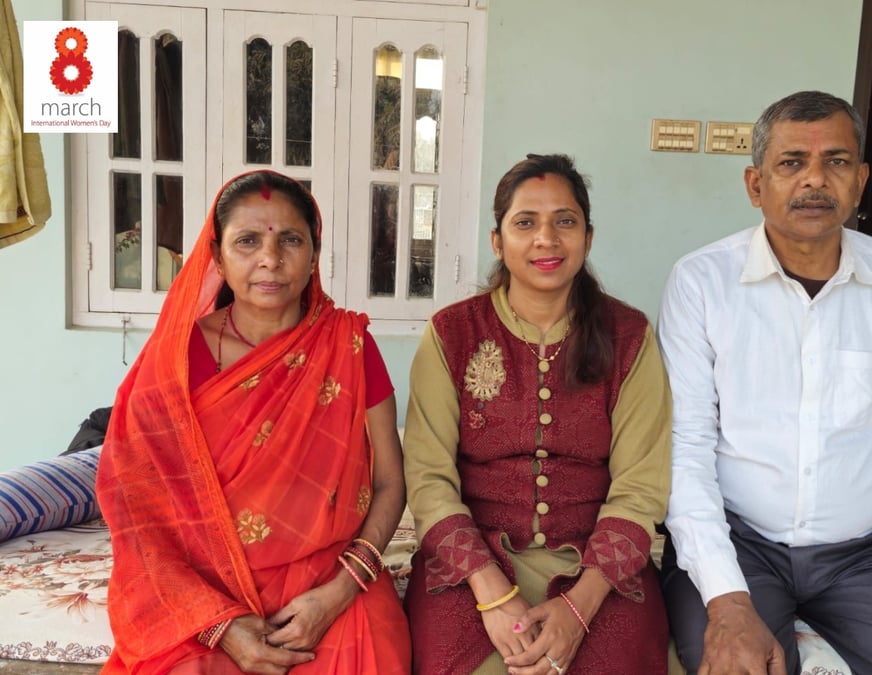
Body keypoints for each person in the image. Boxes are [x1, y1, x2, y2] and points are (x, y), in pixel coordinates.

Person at [658, 90, 872, 675]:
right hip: (741, 547)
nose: (814, 180)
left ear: (860, 180)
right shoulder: (701, 283)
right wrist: (728, 599)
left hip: (864, 557)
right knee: (739, 667)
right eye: (791, 163)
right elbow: (684, 448)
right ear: (754, 184)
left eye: (836, 162)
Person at [96, 170, 411, 674]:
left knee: (370, 656)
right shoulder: (174, 360)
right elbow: (137, 509)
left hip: (329, 579)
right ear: (217, 257)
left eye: (290, 239)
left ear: (313, 255)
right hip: (207, 591)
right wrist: (218, 624)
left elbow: (391, 482)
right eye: (247, 241)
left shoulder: (348, 344)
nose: (270, 258)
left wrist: (339, 591)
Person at [402, 153, 673, 674]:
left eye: (564, 222)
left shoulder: (629, 336)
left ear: (587, 239)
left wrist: (580, 607)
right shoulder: (453, 333)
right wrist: (491, 595)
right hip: (471, 565)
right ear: (498, 241)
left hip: (598, 570)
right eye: (525, 223)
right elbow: (429, 479)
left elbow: (640, 489)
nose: (546, 239)